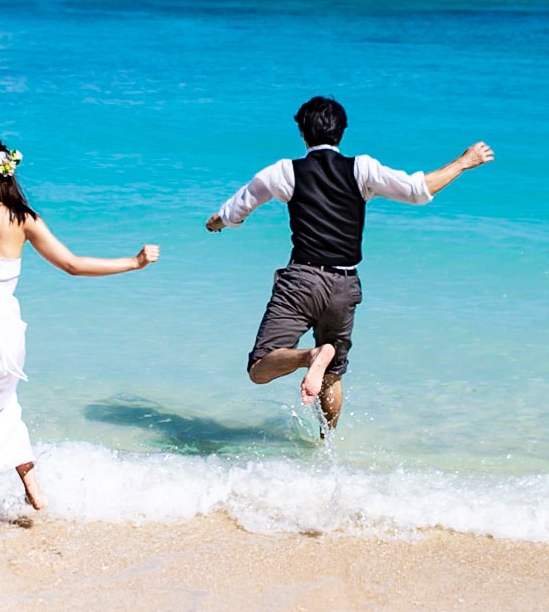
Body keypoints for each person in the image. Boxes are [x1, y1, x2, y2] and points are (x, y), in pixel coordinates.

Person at [0, 137, 160, 543]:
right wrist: (134, 262)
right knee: (2, 406)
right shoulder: (24, 218)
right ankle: (34, 491)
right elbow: (72, 265)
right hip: (7, 332)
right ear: (9, 173)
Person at [205, 96, 493, 435]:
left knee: (260, 368)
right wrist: (464, 161)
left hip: (301, 281)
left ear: (302, 133)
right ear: (342, 132)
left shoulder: (284, 172)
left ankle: (308, 356)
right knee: (333, 377)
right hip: (344, 286)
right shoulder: (362, 169)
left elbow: (236, 210)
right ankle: (324, 447)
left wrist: (217, 223)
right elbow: (418, 190)